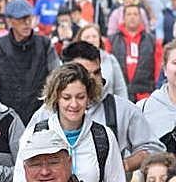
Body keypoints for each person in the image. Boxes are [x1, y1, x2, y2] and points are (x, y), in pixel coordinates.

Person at [15, 63, 131, 182]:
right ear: (56, 99)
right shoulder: (34, 134)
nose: (74, 104)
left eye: (80, 97)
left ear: (89, 98)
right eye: (67, 97)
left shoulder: (103, 137)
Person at [59, 40, 164, 174]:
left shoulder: (121, 109)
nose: (93, 80)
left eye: (97, 72)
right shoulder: (48, 112)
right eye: (84, 74)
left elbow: (154, 149)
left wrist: (124, 165)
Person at [0, 0, 61, 124]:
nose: (27, 22)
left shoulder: (45, 44)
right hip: (4, 115)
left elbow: (56, 76)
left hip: (40, 114)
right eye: (21, 19)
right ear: (9, 21)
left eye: (29, 18)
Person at [105, 1, 161, 101]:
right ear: (124, 18)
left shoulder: (152, 41)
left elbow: (158, 68)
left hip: (145, 95)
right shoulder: (111, 40)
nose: (132, 17)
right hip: (119, 95)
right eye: (129, 14)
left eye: (135, 14)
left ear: (140, 18)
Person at [77, 24, 130, 101]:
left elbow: (120, 89)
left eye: (94, 36)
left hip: (107, 108)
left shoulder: (110, 60)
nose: (91, 40)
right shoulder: (73, 61)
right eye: (87, 37)